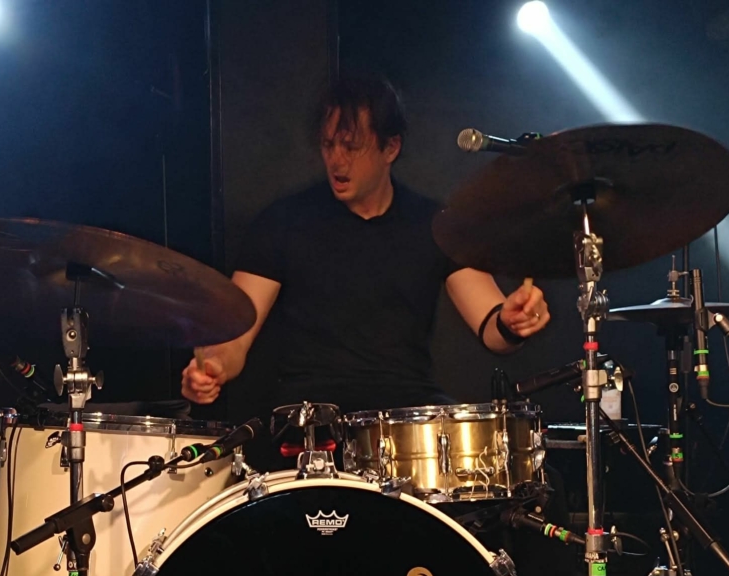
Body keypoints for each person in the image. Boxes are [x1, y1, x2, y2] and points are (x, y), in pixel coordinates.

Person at [180, 74, 549, 413]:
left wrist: (512, 321)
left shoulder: (438, 224)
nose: (336, 160)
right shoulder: (282, 221)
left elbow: (491, 326)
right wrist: (214, 366)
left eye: (351, 146)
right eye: (328, 145)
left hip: (407, 412)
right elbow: (236, 334)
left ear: (391, 147)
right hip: (311, 415)